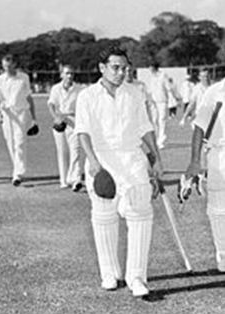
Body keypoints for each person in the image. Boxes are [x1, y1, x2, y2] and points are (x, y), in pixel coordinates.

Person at [75, 46, 163, 297]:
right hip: (102, 159)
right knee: (104, 218)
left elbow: (146, 129)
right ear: (102, 68)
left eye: (125, 68)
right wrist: (93, 162)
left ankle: (137, 277)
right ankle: (110, 273)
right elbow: (82, 131)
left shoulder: (135, 93)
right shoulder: (87, 96)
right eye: (116, 67)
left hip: (132, 157)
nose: (121, 72)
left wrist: (156, 159)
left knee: (140, 213)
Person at [185, 77, 225, 272]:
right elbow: (200, 128)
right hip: (219, 155)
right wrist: (195, 161)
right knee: (219, 209)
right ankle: (223, 254)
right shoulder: (214, 92)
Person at [0, 54, 38, 186]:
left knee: (20, 142)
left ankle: (18, 173)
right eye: (4, 66)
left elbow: (29, 98)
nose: (6, 68)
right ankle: (17, 170)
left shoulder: (24, 77)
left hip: (21, 112)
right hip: (6, 114)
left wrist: (34, 118)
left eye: (8, 65)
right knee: (10, 142)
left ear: (14, 64)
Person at [47, 64, 84, 190]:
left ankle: (76, 179)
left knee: (76, 151)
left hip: (74, 120)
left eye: (72, 73)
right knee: (62, 152)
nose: (69, 76)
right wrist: (56, 118)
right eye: (67, 73)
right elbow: (51, 104)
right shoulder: (55, 88)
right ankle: (63, 180)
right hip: (60, 121)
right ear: (61, 74)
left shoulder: (79, 89)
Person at [148, 61, 169, 149]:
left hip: (162, 100)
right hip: (153, 101)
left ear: (154, 67)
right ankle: (156, 139)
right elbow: (150, 89)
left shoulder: (163, 75)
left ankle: (161, 139)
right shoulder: (151, 77)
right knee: (154, 120)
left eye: (150, 67)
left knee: (162, 119)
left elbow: (168, 87)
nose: (149, 69)